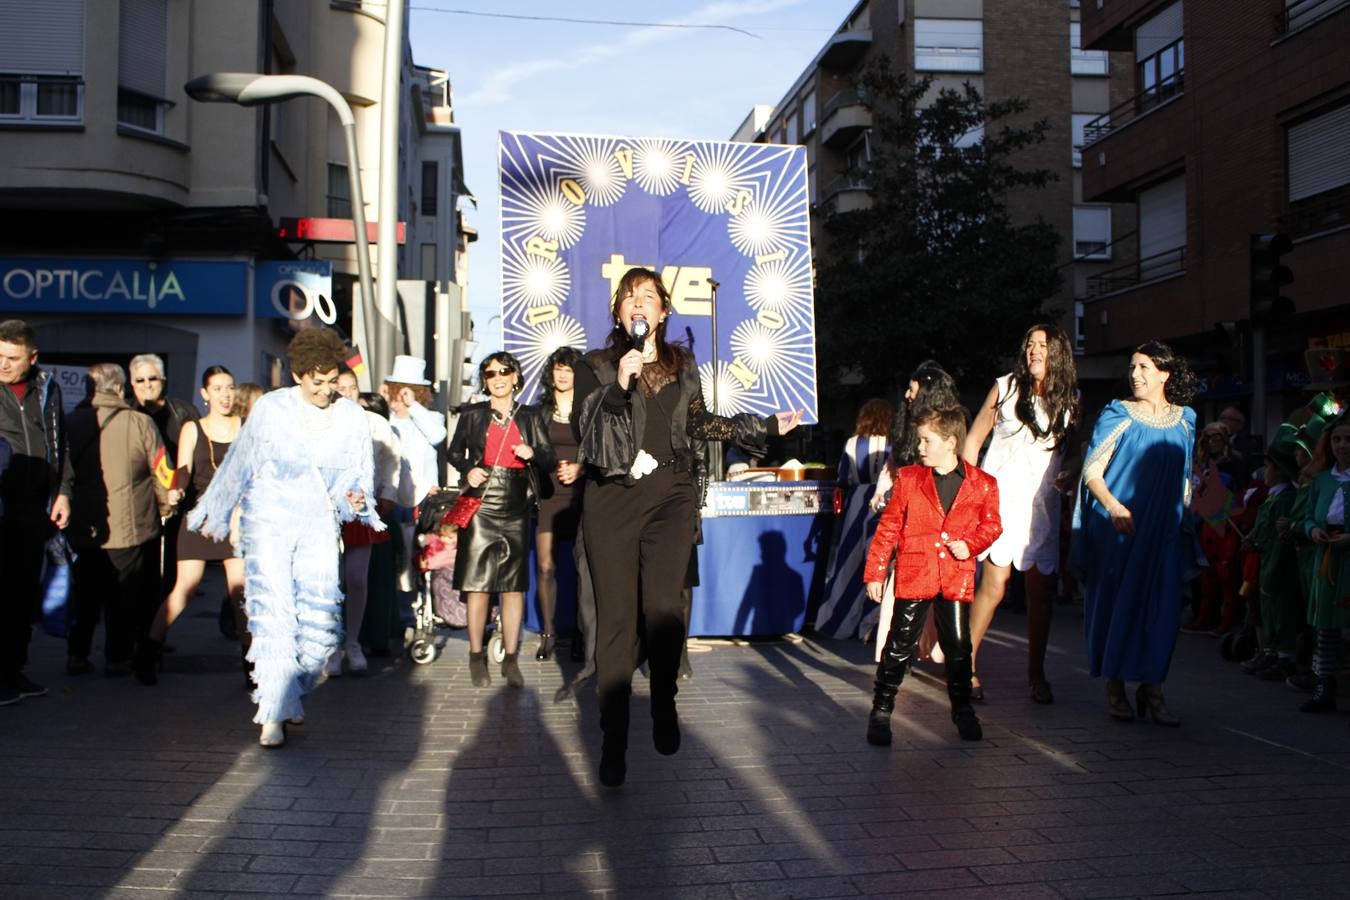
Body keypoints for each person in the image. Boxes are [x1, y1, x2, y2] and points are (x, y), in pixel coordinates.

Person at [573, 266, 802, 788]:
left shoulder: (681, 363)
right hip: (611, 500)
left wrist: (759, 426)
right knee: (616, 623)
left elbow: (699, 422)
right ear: (618, 311)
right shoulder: (596, 365)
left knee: (662, 607)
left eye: (648, 296)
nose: (639, 303)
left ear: (663, 310)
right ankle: (613, 739)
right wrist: (621, 381)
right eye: (630, 296)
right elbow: (585, 429)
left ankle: (663, 701)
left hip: (671, 496)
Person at [186, 328, 380, 748]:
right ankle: (272, 711)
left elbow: (359, 473)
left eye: (332, 382)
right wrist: (218, 511)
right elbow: (239, 462)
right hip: (270, 522)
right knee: (274, 616)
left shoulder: (350, 415)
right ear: (297, 376)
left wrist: (355, 496)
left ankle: (290, 695)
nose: (327, 391)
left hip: (318, 525)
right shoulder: (272, 409)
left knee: (318, 628)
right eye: (318, 382)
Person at [1071, 340, 1202, 726]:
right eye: (1132, 367)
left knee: (1161, 610)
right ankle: (1114, 687)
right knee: (1115, 606)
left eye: (1144, 367)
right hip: (1119, 530)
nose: (1135, 374)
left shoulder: (1186, 419)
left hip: (1163, 531)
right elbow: (1092, 470)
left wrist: (1184, 518)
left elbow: (1185, 477)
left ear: (1165, 373)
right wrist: (1113, 508)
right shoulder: (1117, 413)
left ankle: (1153, 687)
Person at [863, 406, 1002, 745]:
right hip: (916, 572)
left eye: (927, 440)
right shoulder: (909, 479)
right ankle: (881, 710)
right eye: (920, 440)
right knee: (899, 644)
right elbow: (889, 527)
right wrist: (876, 573)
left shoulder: (982, 484)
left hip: (954, 576)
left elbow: (993, 525)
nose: (920, 447)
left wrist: (969, 545)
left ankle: (962, 709)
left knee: (958, 647)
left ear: (951, 442)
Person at [962, 324, 1079, 705]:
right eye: (1029, 344)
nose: (1033, 351)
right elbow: (974, 441)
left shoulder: (1071, 397)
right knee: (994, 586)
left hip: (1041, 504)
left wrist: (1071, 471)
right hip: (999, 501)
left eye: (1042, 346)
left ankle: (1037, 675)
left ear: (1057, 352)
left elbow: (1075, 451)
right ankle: (967, 667)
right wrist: (967, 494)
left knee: (1040, 592)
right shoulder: (1007, 386)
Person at [446, 351, 556, 688]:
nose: (497, 377)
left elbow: (550, 457)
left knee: (512, 586)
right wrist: (470, 469)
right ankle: (476, 655)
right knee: (478, 585)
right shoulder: (473, 415)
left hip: (516, 503)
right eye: (490, 373)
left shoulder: (531, 415)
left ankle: (511, 658)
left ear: (515, 377)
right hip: (481, 503)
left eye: (504, 372)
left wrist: (532, 453)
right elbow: (453, 452)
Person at [64, 363, 171, 679]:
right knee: (122, 595)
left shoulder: (70, 423)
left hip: (84, 525)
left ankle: (77, 653)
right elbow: (161, 472)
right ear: (121, 389)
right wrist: (164, 508)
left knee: (84, 592)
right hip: (130, 525)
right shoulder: (140, 423)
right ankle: (117, 657)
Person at [142, 367, 247, 685]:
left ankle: (252, 667)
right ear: (204, 394)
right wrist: (176, 489)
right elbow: (183, 470)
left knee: (239, 595)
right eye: (217, 388)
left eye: (229, 387)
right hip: (199, 516)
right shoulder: (192, 428)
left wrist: (242, 512)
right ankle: (147, 653)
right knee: (184, 589)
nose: (225, 394)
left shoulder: (244, 426)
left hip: (235, 518)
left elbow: (249, 475)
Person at [864, 361, 961, 655]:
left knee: (941, 594)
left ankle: (945, 655)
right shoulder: (905, 430)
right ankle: (894, 656)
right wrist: (885, 494)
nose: (907, 395)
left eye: (912, 389)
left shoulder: (952, 430)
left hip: (941, 528)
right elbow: (893, 469)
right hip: (907, 527)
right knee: (903, 590)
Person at [0, 319, 72, 706]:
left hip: (33, 508)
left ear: (32, 356)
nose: (4, 365)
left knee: (22, 592)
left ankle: (13, 670)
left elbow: (61, 447)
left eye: (12, 358)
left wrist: (63, 492)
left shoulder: (47, 388)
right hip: (2, 503)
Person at [330, 369, 407, 676]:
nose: (347, 392)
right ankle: (332, 645)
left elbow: (392, 462)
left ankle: (353, 641)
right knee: (330, 580)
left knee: (357, 578)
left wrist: (388, 493)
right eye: (341, 387)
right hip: (327, 509)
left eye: (352, 387)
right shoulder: (322, 423)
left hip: (362, 508)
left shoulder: (375, 424)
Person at [814, 398, 893, 639]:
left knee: (849, 563)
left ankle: (838, 623)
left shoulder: (852, 443)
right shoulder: (892, 444)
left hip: (857, 502)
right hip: (883, 502)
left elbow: (843, 478)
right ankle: (873, 626)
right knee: (880, 564)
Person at [127, 353, 198, 596]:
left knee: (169, 572)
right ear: (131, 383)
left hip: (176, 501)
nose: (147, 384)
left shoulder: (183, 412)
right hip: (139, 502)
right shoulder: (126, 414)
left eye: (152, 378)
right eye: (140, 380)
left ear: (164, 379)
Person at [534, 346, 585, 660]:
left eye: (569, 369)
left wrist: (580, 467)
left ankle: (582, 634)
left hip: (582, 495)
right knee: (546, 567)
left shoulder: (588, 408)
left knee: (583, 568)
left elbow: (599, 449)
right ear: (550, 372)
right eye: (558, 368)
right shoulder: (538, 410)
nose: (563, 375)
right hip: (548, 495)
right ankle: (549, 634)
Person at [384, 355, 447, 602]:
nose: (399, 398)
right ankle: (400, 603)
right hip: (392, 496)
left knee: (418, 552)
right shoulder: (384, 420)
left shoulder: (430, 418)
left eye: (406, 392)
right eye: (397, 391)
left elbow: (437, 435)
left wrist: (414, 408)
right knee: (396, 552)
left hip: (423, 499)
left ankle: (417, 600)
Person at [1298, 411, 1350, 713]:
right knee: (1325, 625)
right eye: (1337, 439)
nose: (1342, 445)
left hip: (1347, 556)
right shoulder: (1321, 481)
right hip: (1326, 558)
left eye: (1348, 439)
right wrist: (1313, 530)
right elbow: (1306, 518)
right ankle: (1323, 687)